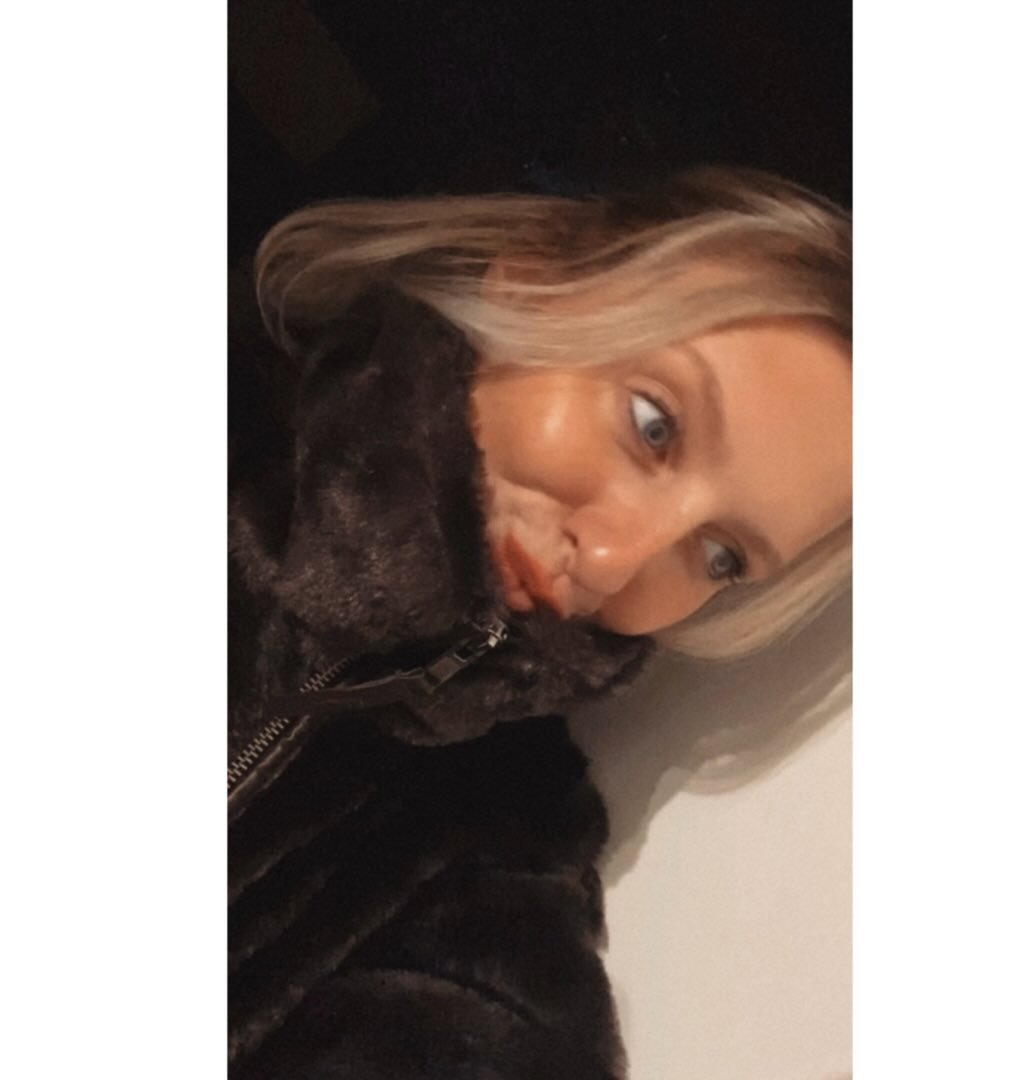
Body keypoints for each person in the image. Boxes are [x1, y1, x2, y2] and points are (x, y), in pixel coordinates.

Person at [228, 165, 851, 1078]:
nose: (614, 560)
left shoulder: (486, 822)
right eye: (654, 426)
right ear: (534, 286)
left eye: (720, 555)